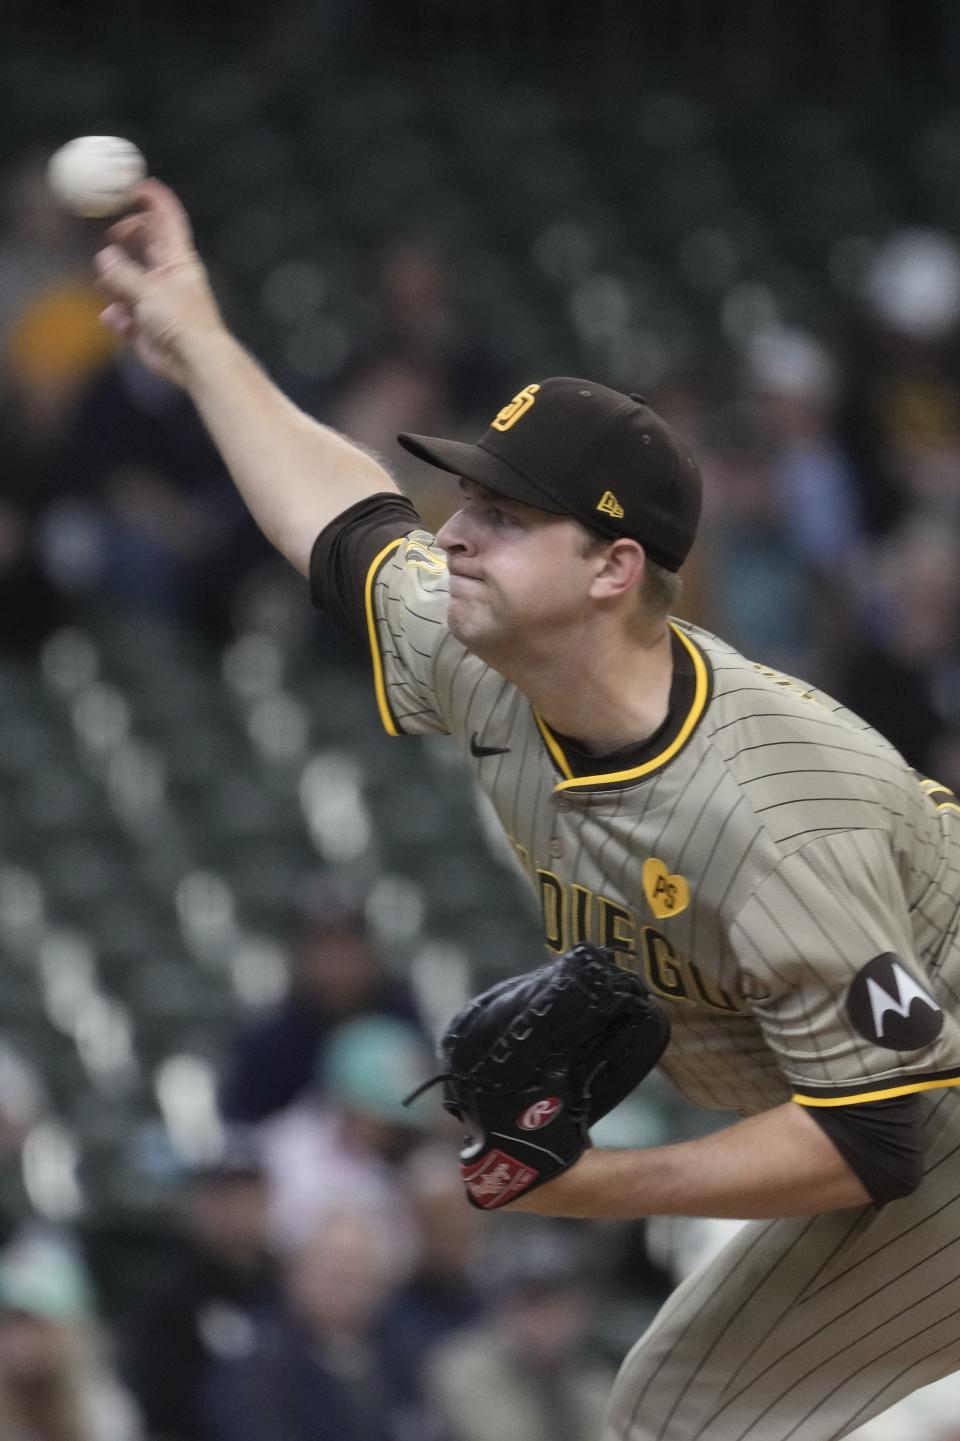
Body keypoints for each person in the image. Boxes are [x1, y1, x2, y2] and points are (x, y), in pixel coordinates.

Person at [92, 180, 960, 1441]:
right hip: (898, 1099)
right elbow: (345, 527)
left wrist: (583, 1185)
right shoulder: (487, 653)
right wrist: (197, 340)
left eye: (502, 516)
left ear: (614, 569)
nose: (459, 535)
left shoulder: (772, 807)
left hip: (929, 1113)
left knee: (680, 1415)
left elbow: (876, 1139)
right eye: (467, 502)